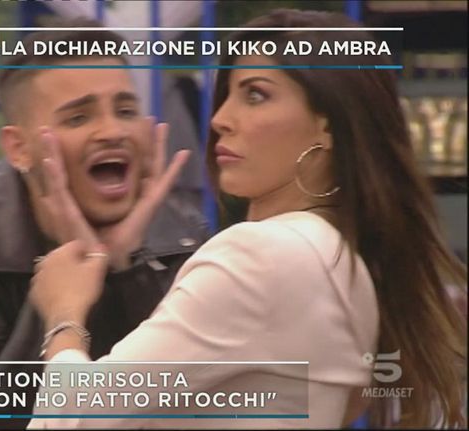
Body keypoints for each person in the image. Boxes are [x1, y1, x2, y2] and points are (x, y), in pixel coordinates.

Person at [27, 9, 468, 429]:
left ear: (328, 124)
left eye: (255, 95)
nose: (221, 119)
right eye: (228, 95)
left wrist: (64, 315)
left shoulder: (261, 254)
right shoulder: (343, 263)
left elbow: (72, 419)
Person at [0, 21, 211, 430]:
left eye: (125, 111)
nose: (113, 132)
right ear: (18, 148)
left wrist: (124, 272)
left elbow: (197, 406)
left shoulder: (182, 232)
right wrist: (52, 310)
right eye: (78, 118)